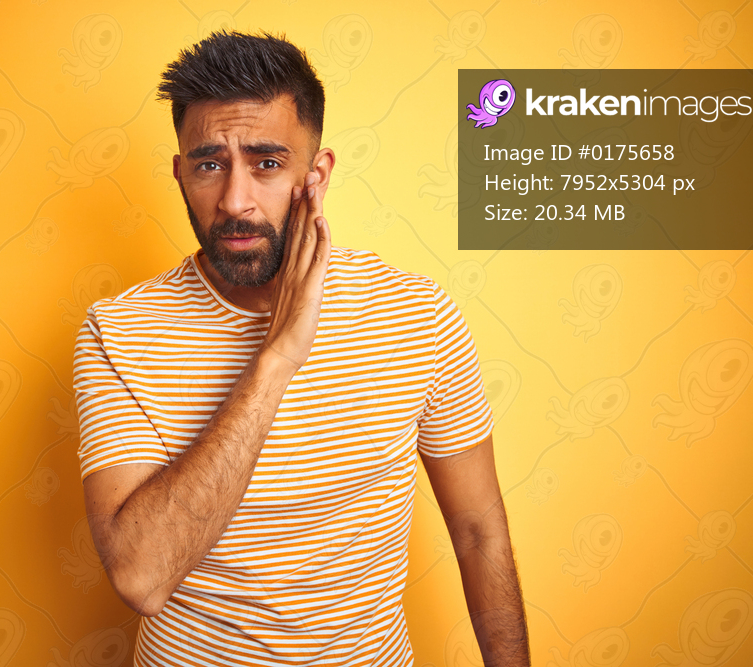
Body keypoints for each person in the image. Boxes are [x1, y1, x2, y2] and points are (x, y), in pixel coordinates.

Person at [73, 28, 529, 667]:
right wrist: (278, 353)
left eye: (266, 163)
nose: (235, 200)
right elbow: (141, 577)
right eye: (209, 163)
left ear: (315, 174)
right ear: (180, 173)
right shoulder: (117, 332)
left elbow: (480, 533)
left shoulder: (418, 315)